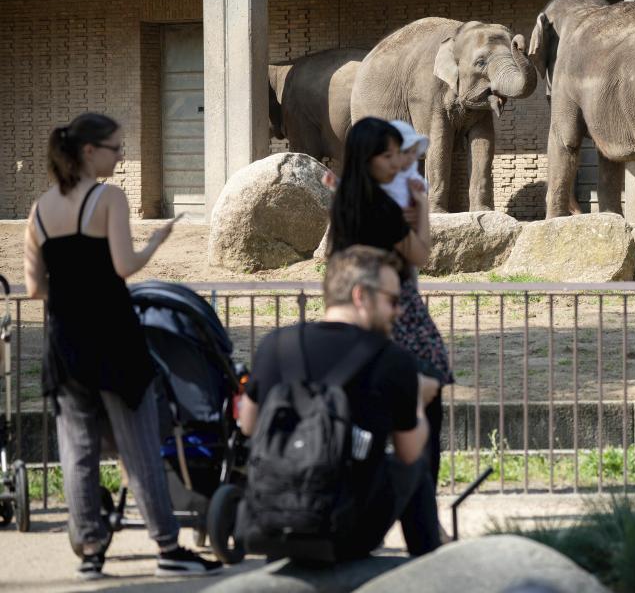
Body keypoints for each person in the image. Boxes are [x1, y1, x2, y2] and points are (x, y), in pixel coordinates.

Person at [23, 113, 221, 580]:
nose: (121, 156)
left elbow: (34, 288)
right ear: (89, 152)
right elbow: (123, 266)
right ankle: (169, 548)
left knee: (77, 450)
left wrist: (71, 295)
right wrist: (155, 242)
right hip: (114, 338)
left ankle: (90, 551)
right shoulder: (108, 198)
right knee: (138, 447)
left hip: (65, 343)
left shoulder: (38, 211)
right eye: (115, 148)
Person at [238, 245, 441, 558]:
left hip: (272, 518)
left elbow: (248, 425)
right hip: (345, 529)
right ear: (361, 295)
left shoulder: (276, 345)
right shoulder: (392, 361)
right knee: (415, 469)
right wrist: (416, 395)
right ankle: (428, 566)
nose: (398, 311)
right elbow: (410, 450)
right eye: (393, 300)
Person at [327, 117, 453, 490]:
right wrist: (423, 207)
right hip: (393, 308)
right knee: (425, 394)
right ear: (367, 159)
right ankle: (423, 504)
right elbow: (421, 253)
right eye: (388, 155)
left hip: (353, 312)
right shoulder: (381, 206)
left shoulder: (344, 201)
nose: (396, 163)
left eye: (399, 154)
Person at [380, 119, 429, 209]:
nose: (411, 157)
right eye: (405, 151)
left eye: (414, 152)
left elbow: (420, 183)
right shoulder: (381, 176)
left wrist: (420, 185)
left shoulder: (410, 171)